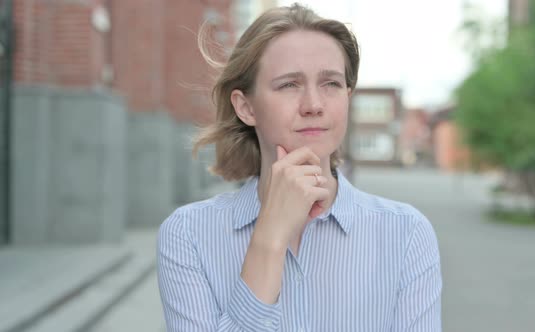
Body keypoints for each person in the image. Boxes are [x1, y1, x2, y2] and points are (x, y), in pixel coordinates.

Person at [157, 3, 442, 331]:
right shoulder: (188, 235)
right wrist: (270, 237)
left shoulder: (405, 233)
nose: (314, 105)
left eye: (331, 84)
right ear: (246, 107)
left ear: (348, 97)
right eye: (289, 84)